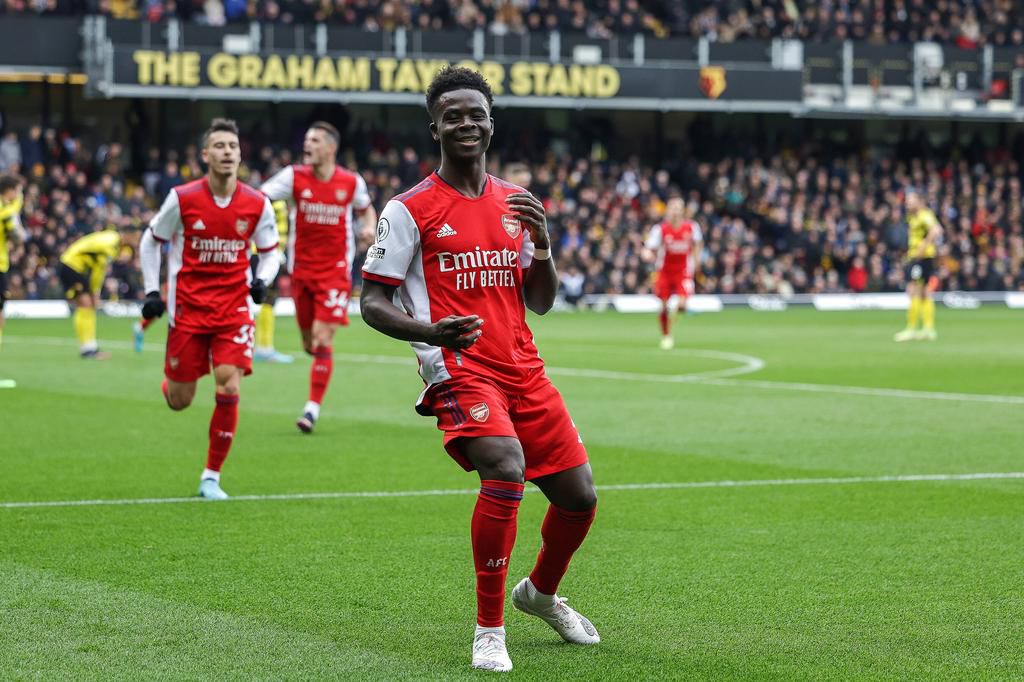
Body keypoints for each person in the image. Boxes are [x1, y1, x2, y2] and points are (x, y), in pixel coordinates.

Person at [360, 66, 600, 673]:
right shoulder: (409, 209)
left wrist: (543, 244)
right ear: (435, 125)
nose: (466, 122)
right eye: (453, 114)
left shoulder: (515, 202)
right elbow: (372, 300)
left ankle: (540, 594)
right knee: (506, 469)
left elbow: (539, 299)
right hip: (460, 366)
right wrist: (428, 333)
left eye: (476, 113)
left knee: (579, 499)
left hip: (523, 365)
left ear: (491, 122)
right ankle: (488, 629)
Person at [138, 118, 280, 500]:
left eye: (232, 146)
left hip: (234, 307)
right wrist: (152, 290)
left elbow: (271, 253)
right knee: (179, 401)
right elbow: (150, 242)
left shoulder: (256, 203)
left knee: (229, 381)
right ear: (205, 155)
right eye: (219, 146)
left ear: (240, 154)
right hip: (188, 308)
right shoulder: (182, 198)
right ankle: (176, 379)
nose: (227, 152)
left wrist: (263, 280)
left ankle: (211, 476)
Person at [261, 121, 376, 434]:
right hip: (302, 273)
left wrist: (369, 227)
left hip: (336, 273)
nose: (307, 145)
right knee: (311, 345)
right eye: (306, 140)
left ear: (330, 148)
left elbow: (367, 210)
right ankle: (317, 364)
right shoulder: (293, 176)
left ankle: (311, 409)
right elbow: (260, 198)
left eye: (313, 140)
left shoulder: (351, 182)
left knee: (324, 338)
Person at [59, 226, 136, 359]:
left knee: (87, 307)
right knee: (85, 305)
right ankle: (87, 349)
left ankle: (89, 347)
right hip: (72, 266)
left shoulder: (111, 239)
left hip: (77, 268)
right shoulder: (111, 244)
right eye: (135, 237)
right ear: (127, 235)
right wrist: (95, 292)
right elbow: (99, 270)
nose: (136, 241)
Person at [643, 196, 703, 350]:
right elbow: (649, 248)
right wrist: (647, 253)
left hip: (683, 271)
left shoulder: (692, 227)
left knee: (682, 304)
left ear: (683, 210)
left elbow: (697, 244)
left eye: (678, 208)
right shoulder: (660, 229)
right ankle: (666, 335)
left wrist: (697, 261)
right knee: (663, 306)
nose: (675, 211)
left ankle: (674, 318)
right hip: (664, 271)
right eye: (673, 208)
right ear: (668, 210)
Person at [894, 189, 943, 342]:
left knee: (913, 290)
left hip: (922, 258)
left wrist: (923, 246)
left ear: (919, 201)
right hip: (918, 257)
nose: (907, 203)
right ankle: (928, 329)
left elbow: (937, 230)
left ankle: (911, 329)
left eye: (911, 200)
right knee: (923, 292)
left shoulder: (924, 215)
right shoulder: (912, 216)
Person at [251, 199, 294, 364]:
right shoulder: (273, 201)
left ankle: (264, 347)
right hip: (265, 256)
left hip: (271, 254)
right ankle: (263, 348)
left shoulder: (277, 201)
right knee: (264, 300)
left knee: (268, 302)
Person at [0, 174, 26, 350]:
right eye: (17, 190)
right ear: (9, 191)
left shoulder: (8, 206)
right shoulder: (7, 211)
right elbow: (19, 237)